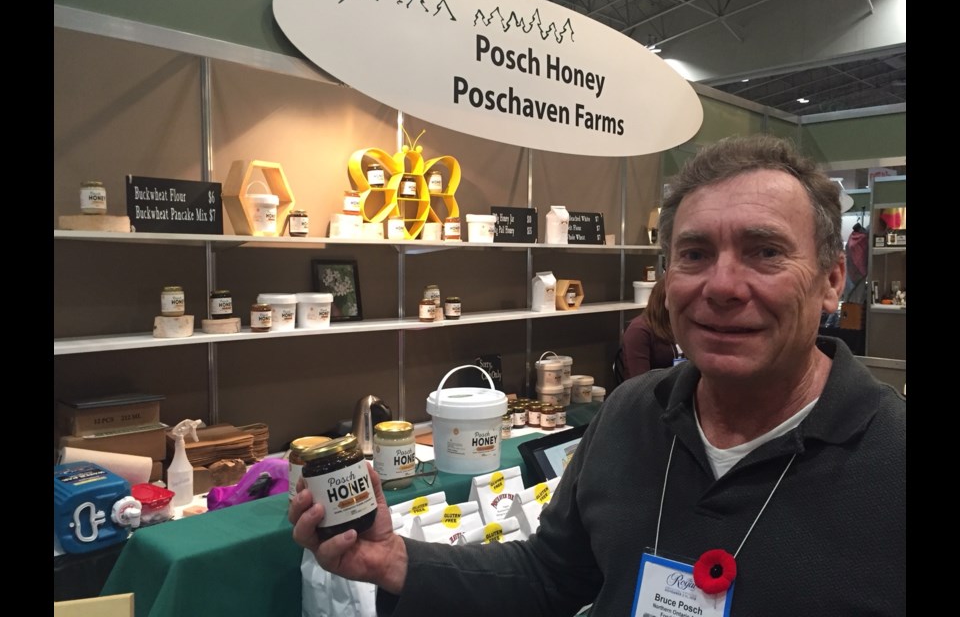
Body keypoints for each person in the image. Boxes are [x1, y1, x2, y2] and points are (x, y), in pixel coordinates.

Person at [289, 134, 906, 616]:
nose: (721, 286)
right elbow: (549, 578)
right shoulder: (632, 413)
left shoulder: (891, 453)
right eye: (693, 255)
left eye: (765, 252)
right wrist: (397, 560)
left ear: (831, 282)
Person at [619, 277, 682, 379]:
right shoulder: (638, 330)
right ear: (664, 301)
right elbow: (639, 381)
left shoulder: (681, 324)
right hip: (651, 391)